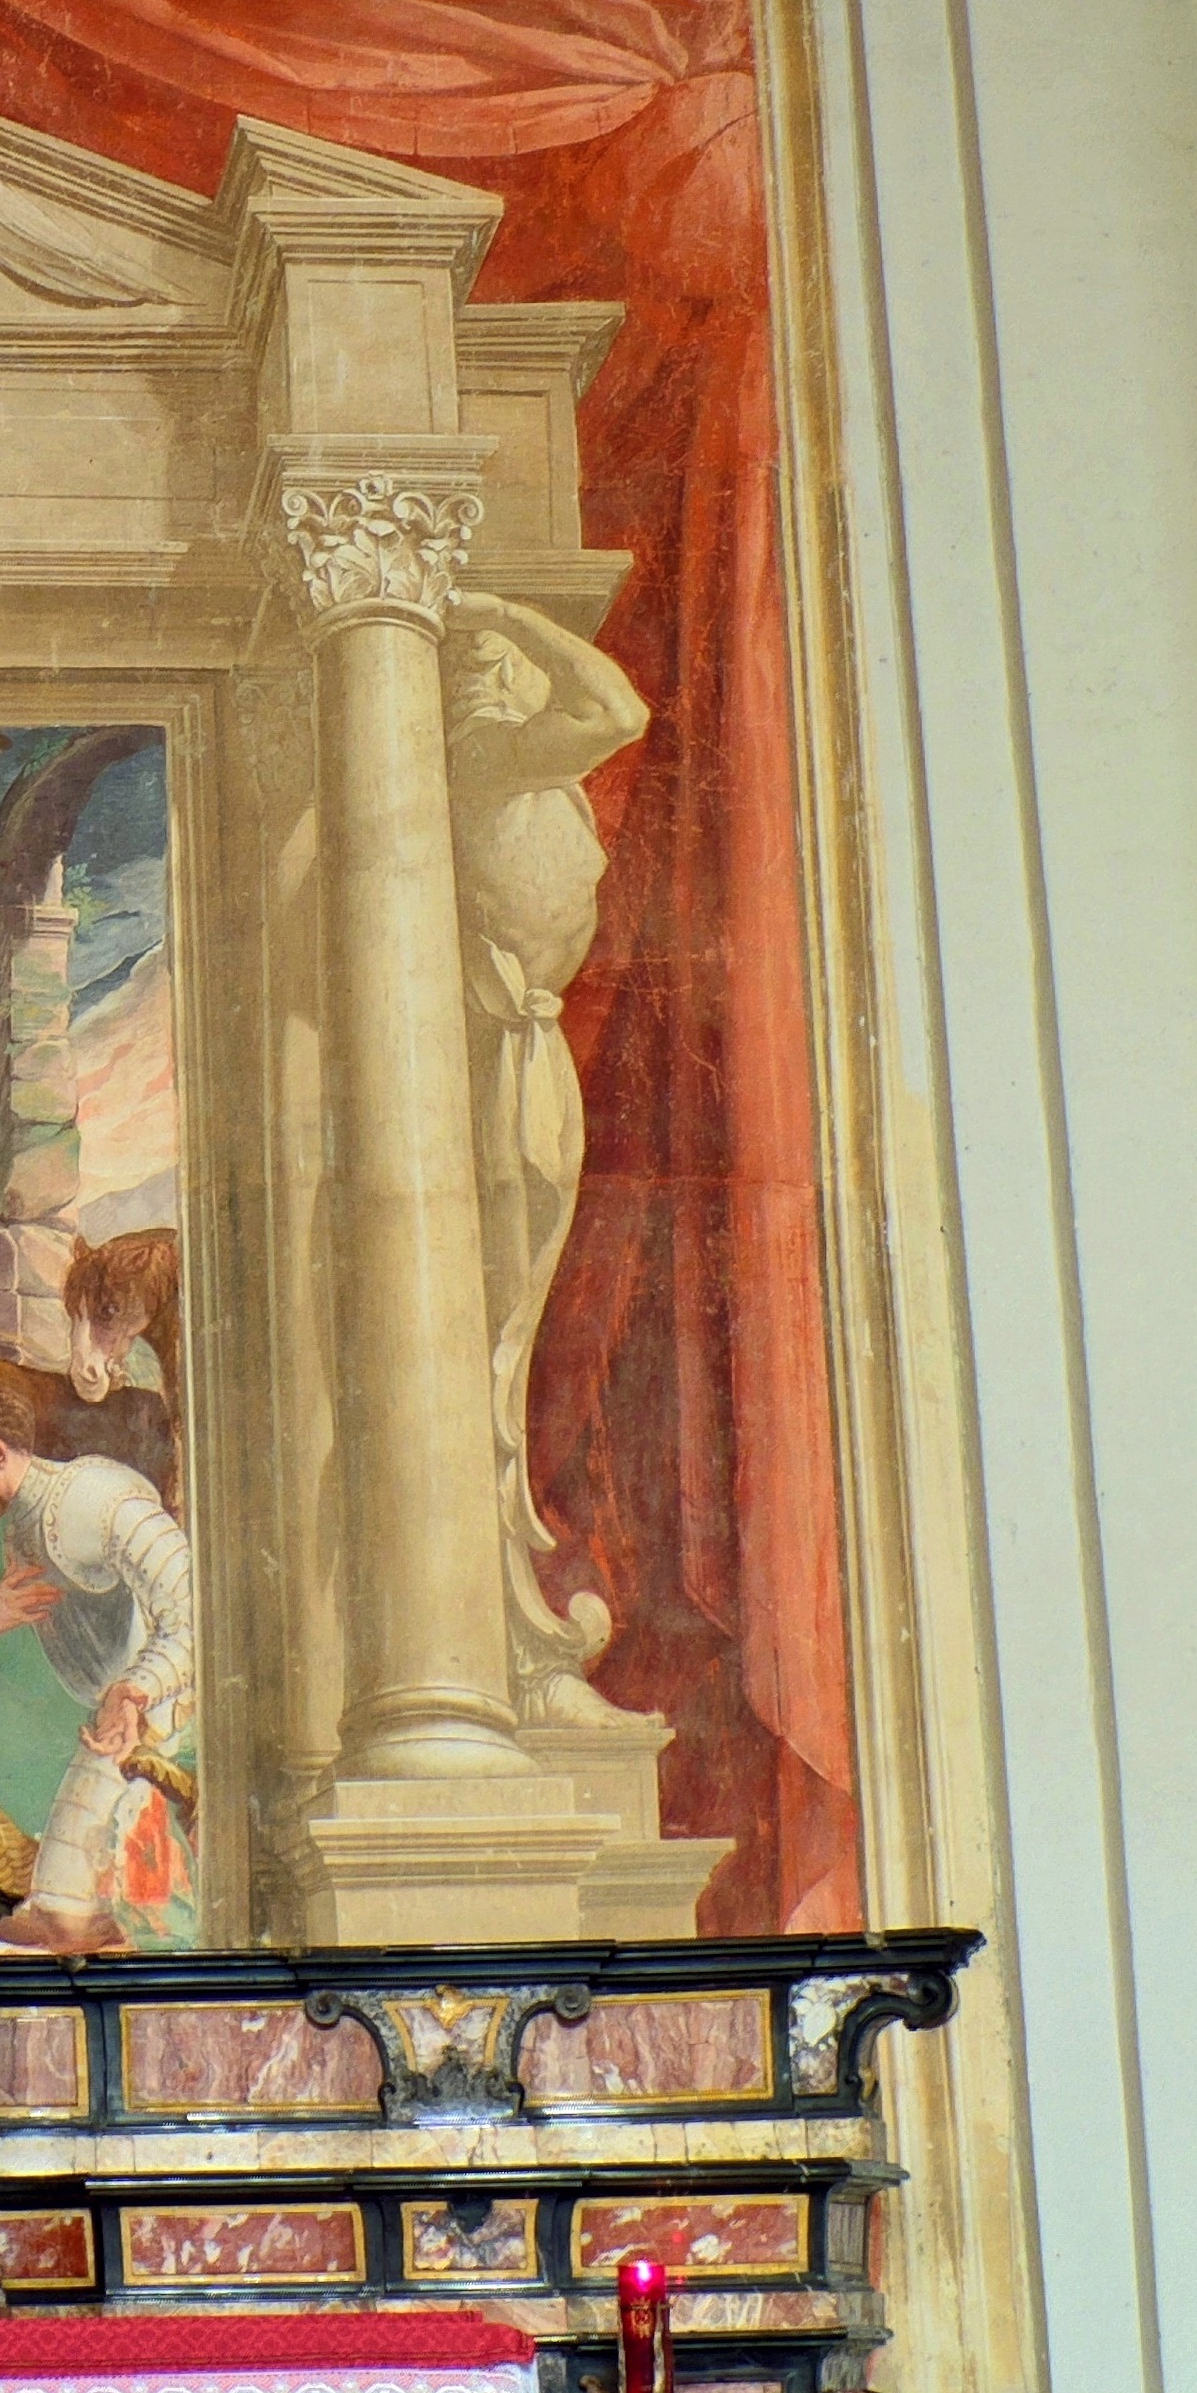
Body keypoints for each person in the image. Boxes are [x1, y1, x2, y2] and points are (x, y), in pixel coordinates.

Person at [441, 586, 650, 1710]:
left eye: (494, 654)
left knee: (507, 1330)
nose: (479, 665)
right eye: (461, 653)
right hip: (487, 1059)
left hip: (527, 1057)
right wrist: (505, 617)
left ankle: (505, 1632)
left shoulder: (523, 766)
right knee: (488, 1334)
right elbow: (616, 707)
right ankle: (496, 1642)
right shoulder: (483, 751)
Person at [0, 1372, 195, 1952]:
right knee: (58, 1915)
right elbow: (8, 1673)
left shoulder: (94, 1499)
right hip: (100, 1723)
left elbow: (190, 1607)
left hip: (163, 1710)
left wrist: (135, 1690)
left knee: (78, 1918)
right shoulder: (9, 1536)